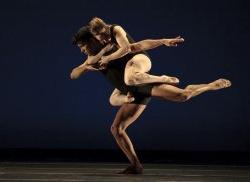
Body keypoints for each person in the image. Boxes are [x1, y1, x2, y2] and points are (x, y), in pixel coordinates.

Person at [70, 26, 231, 174]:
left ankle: (210, 85)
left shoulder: (115, 43)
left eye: (83, 47)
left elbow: (140, 45)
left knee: (183, 96)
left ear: (92, 41)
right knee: (117, 129)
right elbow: (74, 74)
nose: (82, 51)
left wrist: (163, 41)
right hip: (130, 92)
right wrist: (86, 66)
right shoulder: (92, 58)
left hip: (141, 84)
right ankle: (136, 165)